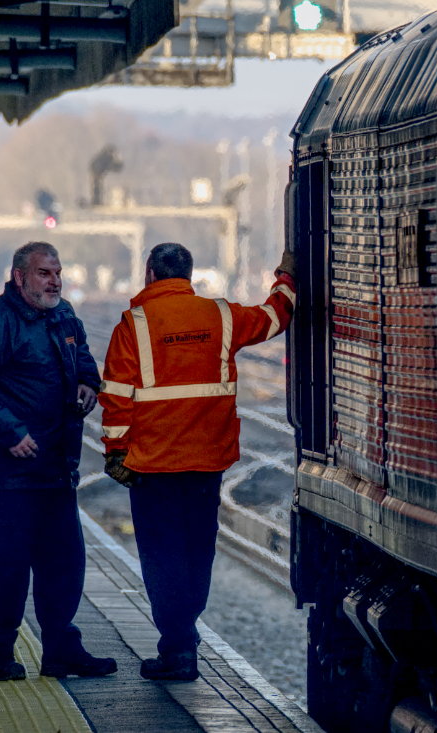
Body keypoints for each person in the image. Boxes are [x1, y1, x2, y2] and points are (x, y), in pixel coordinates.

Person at [98, 242, 297, 681]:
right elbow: (274, 317)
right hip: (207, 462)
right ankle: (184, 632)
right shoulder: (221, 316)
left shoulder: (134, 325)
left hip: (152, 466)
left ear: (150, 273)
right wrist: (286, 277)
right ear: (187, 275)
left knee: (162, 556)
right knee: (197, 550)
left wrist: (115, 451)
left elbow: (115, 396)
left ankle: (178, 647)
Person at [0, 241, 117, 682]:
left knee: (64, 566)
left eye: (58, 272)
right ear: (20, 277)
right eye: (44, 273)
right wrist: (10, 431)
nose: (55, 281)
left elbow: (82, 360)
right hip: (6, 478)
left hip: (56, 472)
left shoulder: (63, 315)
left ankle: (60, 649)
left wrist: (88, 384)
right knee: (4, 570)